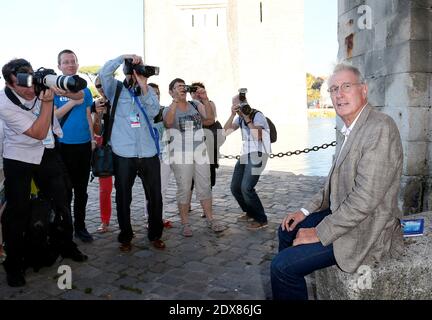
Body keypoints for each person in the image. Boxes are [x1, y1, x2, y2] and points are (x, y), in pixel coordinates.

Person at [270, 64, 404, 300]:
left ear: (363, 90)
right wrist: (304, 211)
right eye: (333, 89)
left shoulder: (380, 127)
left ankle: (289, 277)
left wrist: (319, 233)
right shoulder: (351, 128)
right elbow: (331, 184)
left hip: (366, 228)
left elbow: (365, 199)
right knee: (287, 229)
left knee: (282, 267)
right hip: (345, 215)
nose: (339, 94)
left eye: (346, 86)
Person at [0, 58, 87, 287]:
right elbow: (38, 131)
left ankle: (67, 246)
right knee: (16, 212)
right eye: (22, 86)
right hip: (18, 157)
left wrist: (61, 86)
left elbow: (79, 96)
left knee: (62, 201)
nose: (30, 90)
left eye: (31, 83)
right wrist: (47, 103)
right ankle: (14, 264)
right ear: (9, 85)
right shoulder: (3, 103)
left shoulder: (39, 82)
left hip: (47, 151)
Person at [99, 54, 165, 252]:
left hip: (148, 152)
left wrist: (144, 85)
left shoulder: (149, 91)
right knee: (123, 197)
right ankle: (125, 236)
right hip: (124, 153)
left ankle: (155, 234)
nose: (138, 71)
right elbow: (104, 73)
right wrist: (123, 57)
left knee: (155, 196)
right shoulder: (115, 89)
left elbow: (154, 112)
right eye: (135, 68)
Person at [163, 78, 225, 237]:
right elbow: (169, 124)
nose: (182, 89)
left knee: (204, 185)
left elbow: (210, 119)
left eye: (183, 86)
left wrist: (204, 98)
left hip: (200, 151)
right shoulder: (169, 108)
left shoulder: (195, 105)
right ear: (171, 92)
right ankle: (185, 223)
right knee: (184, 188)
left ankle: (210, 219)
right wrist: (176, 101)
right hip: (180, 154)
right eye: (178, 87)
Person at [54, 49, 95, 243]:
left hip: (84, 146)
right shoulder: (54, 88)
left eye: (73, 61)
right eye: (66, 62)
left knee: (81, 190)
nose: (70, 64)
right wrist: (73, 101)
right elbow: (54, 116)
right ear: (59, 66)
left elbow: (88, 114)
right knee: (65, 191)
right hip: (63, 146)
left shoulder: (85, 90)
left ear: (77, 65)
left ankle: (80, 227)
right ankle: (66, 228)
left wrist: (93, 138)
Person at [223, 92, 271, 230]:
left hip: (259, 153)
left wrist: (247, 118)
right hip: (245, 154)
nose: (237, 107)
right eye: (234, 105)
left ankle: (261, 219)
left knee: (247, 187)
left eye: (238, 104)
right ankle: (250, 212)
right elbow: (224, 132)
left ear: (245, 103)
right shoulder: (238, 119)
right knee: (235, 187)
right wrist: (232, 115)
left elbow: (258, 136)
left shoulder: (257, 115)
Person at [149, 82, 173, 229]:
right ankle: (150, 218)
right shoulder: (141, 111)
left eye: (157, 93)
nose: (155, 95)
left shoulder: (165, 111)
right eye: (152, 93)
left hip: (164, 155)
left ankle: (161, 217)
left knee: (162, 188)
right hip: (148, 157)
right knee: (150, 189)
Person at [92, 76, 113, 233]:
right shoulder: (98, 103)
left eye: (103, 84)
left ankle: (125, 221)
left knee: (125, 188)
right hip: (105, 152)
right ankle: (105, 221)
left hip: (123, 150)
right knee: (105, 190)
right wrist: (98, 115)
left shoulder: (120, 100)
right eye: (98, 85)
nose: (101, 88)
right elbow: (97, 131)